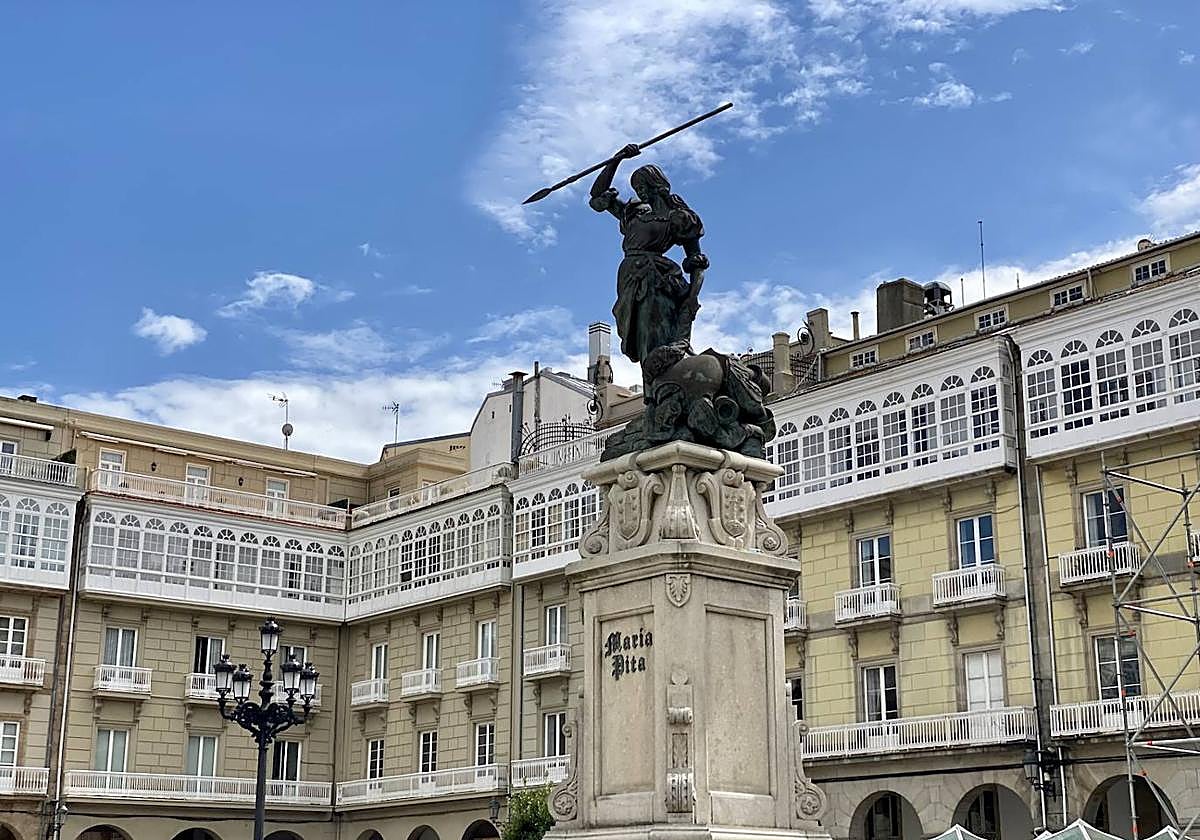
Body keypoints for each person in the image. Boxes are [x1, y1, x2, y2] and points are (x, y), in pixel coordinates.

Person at [588, 144, 709, 369]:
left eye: (643, 185)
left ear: (656, 184)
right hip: (630, 277)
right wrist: (616, 159)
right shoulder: (635, 213)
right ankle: (655, 389)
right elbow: (597, 197)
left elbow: (697, 261)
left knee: (654, 334)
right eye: (636, 187)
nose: (640, 191)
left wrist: (693, 296)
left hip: (657, 279)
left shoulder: (679, 218)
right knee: (639, 333)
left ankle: (660, 384)